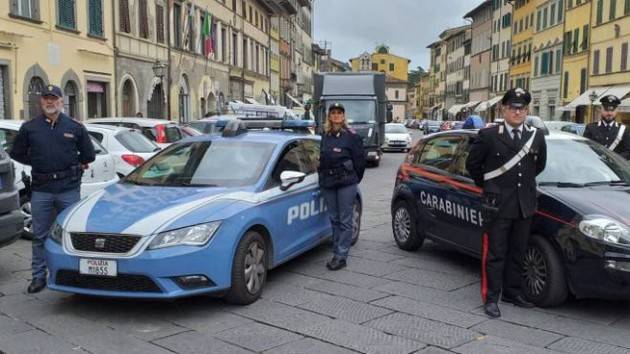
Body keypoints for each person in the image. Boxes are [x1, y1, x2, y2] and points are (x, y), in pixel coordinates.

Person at [465, 88, 547, 318]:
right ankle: (491, 297)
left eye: (521, 108)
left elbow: (538, 166)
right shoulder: (489, 135)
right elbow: (473, 164)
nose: (517, 112)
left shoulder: (536, 135)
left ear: (527, 110)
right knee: (495, 253)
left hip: (524, 205)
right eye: (513, 107)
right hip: (497, 205)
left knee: (518, 251)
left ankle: (512, 292)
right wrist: (489, 186)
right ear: (503, 108)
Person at [10, 85, 95, 294]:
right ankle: (39, 277)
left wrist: (74, 163)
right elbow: (17, 152)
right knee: (40, 236)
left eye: (54, 98)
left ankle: (73, 277)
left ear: (61, 101)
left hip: (68, 188)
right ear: (41, 102)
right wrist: (38, 161)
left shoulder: (75, 127)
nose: (50, 102)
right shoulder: (30, 127)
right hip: (42, 189)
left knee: (71, 235)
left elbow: (89, 155)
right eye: (46, 99)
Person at [318, 102, 366, 271]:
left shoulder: (351, 136)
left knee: (345, 220)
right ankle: (336, 250)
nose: (336, 115)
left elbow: (360, 161)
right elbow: (320, 160)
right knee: (334, 219)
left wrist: (354, 179)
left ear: (343, 116)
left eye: (339, 112)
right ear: (329, 116)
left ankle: (341, 256)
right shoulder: (325, 135)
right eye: (333, 113)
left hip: (346, 182)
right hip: (329, 183)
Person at [583, 95, 630, 159]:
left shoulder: (624, 130)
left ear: (617, 110)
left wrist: (613, 159)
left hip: (614, 168)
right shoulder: (591, 128)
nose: (609, 113)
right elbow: (585, 149)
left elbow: (628, 151)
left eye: (612, 110)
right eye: (606, 110)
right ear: (601, 109)